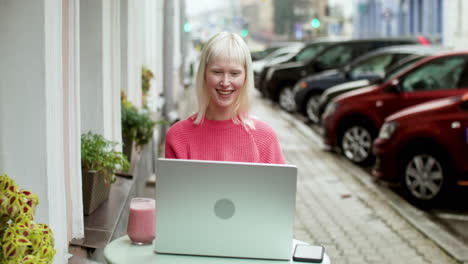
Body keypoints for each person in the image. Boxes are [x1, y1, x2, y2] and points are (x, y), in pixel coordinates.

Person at [165, 32, 285, 164]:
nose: (225, 82)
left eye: (234, 73)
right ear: (204, 74)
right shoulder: (178, 136)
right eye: (217, 72)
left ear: (246, 77)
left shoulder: (265, 138)